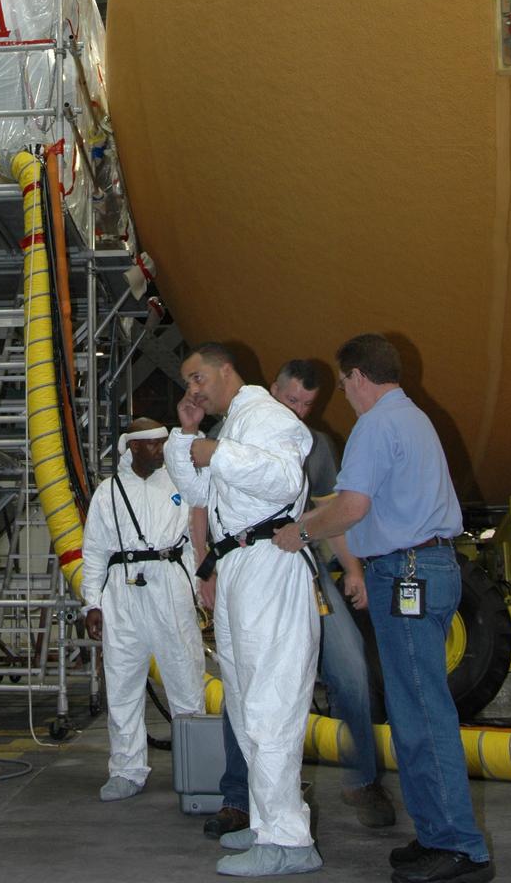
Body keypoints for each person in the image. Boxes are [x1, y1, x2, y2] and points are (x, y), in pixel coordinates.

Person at [274, 334, 494, 883]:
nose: (344, 393)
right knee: (413, 710)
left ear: (358, 377)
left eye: (344, 382)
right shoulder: (413, 418)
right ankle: (436, 835)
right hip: (418, 569)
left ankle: (463, 850)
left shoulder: (376, 425)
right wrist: (366, 567)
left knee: (422, 713)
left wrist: (297, 532)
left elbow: (350, 508)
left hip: (410, 572)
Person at [200, 360, 394, 839]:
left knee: (350, 668)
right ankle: (239, 798)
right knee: (244, 682)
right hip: (249, 568)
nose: (300, 410)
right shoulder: (236, 430)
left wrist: (351, 570)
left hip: (303, 570)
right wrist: (206, 569)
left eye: (309, 404)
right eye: (293, 401)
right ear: (272, 391)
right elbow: (204, 506)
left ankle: (364, 780)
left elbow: (334, 514)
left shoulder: (317, 445)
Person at [164, 343, 322, 878]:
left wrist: (217, 452)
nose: (193, 389)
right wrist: (187, 438)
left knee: (270, 703)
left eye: (199, 377)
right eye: (187, 382)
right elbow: (200, 492)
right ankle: (267, 823)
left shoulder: (265, 415)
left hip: (268, 566)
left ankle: (289, 841)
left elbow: (284, 480)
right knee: (245, 703)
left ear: (226, 370)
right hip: (237, 568)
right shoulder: (234, 424)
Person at [81, 417, 205, 801]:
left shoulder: (181, 485)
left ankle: (196, 769)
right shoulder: (109, 492)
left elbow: (193, 544)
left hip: (170, 587)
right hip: (123, 592)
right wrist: (92, 603)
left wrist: (198, 592)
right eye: (154, 444)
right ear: (134, 447)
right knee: (121, 684)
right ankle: (126, 770)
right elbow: (95, 551)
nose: (161, 450)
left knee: (186, 678)